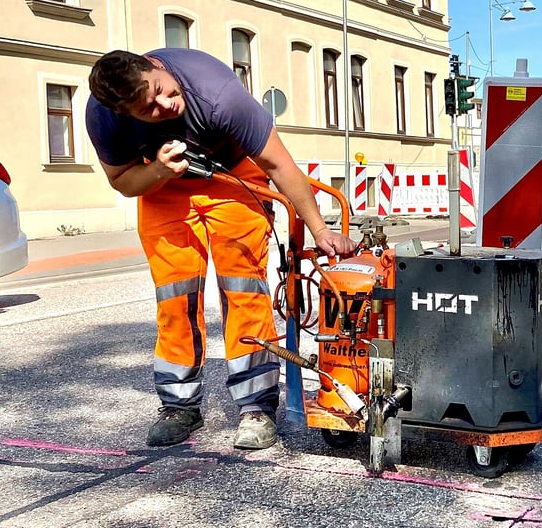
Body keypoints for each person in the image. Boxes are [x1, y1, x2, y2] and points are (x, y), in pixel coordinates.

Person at [86, 48, 356, 450]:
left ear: (158, 67)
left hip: (232, 175)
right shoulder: (104, 116)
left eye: (162, 90)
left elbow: (280, 166)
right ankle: (179, 406)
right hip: (162, 186)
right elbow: (122, 181)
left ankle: (256, 408)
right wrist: (159, 170)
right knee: (174, 298)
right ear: (127, 113)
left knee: (243, 290)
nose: (165, 105)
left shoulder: (216, 92)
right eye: (149, 108)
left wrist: (319, 229)